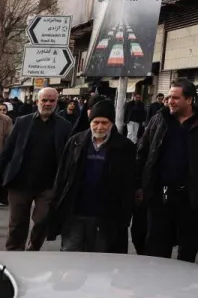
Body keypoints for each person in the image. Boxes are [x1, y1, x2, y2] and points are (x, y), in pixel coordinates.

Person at [138, 79, 198, 263]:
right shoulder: (159, 120)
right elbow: (143, 153)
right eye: (169, 97)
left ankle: (182, 287)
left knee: (188, 246)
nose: (170, 101)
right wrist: (139, 185)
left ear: (189, 100)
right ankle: (157, 284)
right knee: (156, 244)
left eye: (175, 97)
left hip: (192, 196)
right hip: (160, 195)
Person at [47, 98, 138, 253]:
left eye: (104, 122)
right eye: (96, 122)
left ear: (111, 124)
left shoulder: (124, 147)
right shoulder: (76, 142)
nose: (100, 127)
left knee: (100, 261)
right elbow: (62, 176)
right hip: (75, 212)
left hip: (105, 216)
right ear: (90, 122)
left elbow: (128, 183)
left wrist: (124, 214)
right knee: (71, 256)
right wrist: (55, 205)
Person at [0, 86, 72, 251]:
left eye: (52, 100)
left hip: (48, 185)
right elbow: (7, 151)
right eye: (44, 100)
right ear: (37, 101)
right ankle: (14, 254)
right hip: (20, 182)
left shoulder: (64, 126)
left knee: (42, 220)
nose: (48, 104)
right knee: (17, 224)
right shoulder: (23, 122)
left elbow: (68, 157)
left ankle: (33, 249)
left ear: (57, 103)